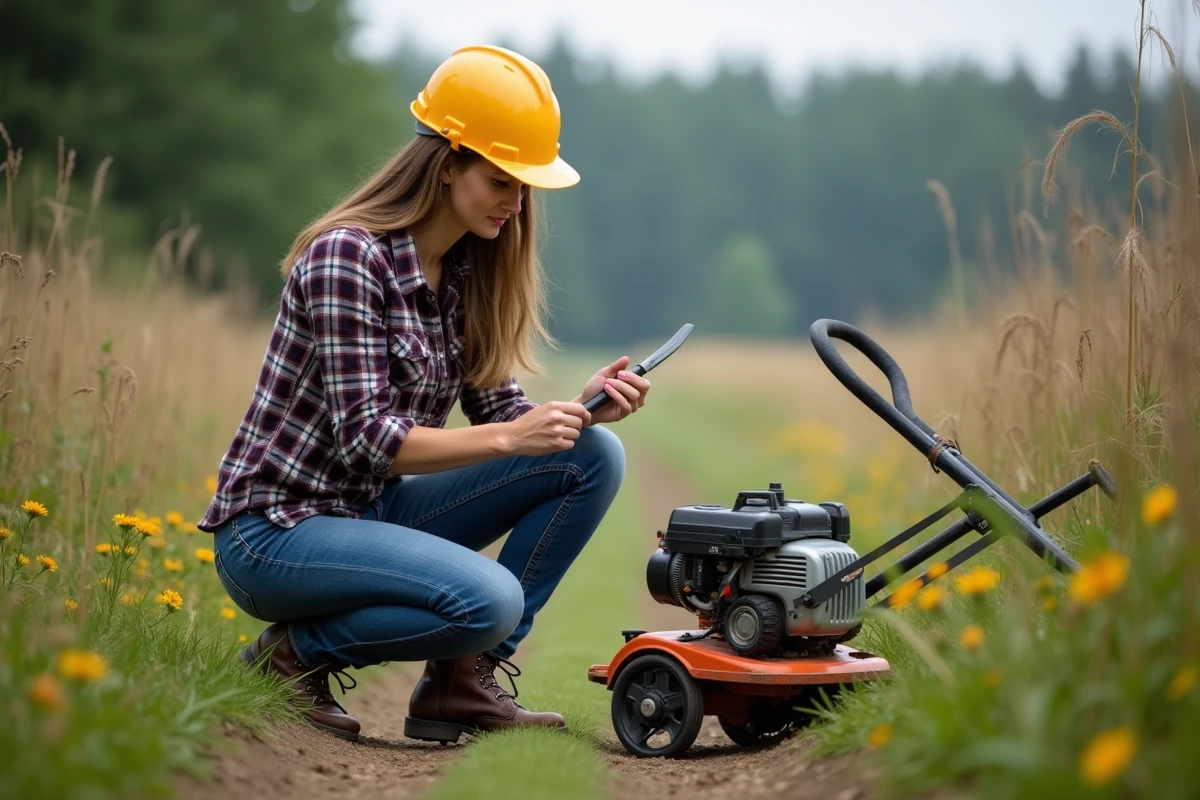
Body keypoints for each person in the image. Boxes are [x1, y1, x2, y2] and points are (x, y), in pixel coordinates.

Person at [197, 45, 649, 744]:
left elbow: (503, 415)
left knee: (593, 453)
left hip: (368, 512)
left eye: (523, 186)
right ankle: (290, 659)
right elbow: (369, 439)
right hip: (275, 533)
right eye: (501, 180)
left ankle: (459, 682)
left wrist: (579, 409)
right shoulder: (348, 257)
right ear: (446, 167)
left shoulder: (464, 269)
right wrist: (511, 438)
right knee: (489, 597)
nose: (516, 202)